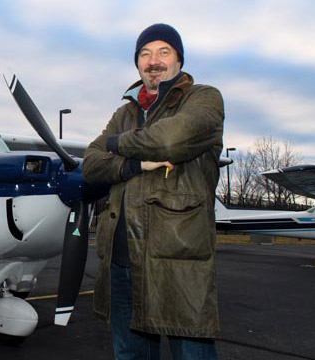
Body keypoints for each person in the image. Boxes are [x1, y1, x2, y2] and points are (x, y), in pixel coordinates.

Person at [82, 23, 224, 359]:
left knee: (192, 352)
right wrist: (134, 165)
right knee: (129, 353)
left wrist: (116, 144)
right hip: (120, 260)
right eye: (145, 54)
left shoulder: (204, 98)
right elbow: (90, 163)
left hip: (176, 259)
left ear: (179, 60)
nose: (153, 61)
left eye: (163, 52)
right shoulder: (125, 111)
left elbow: (172, 140)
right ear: (137, 64)